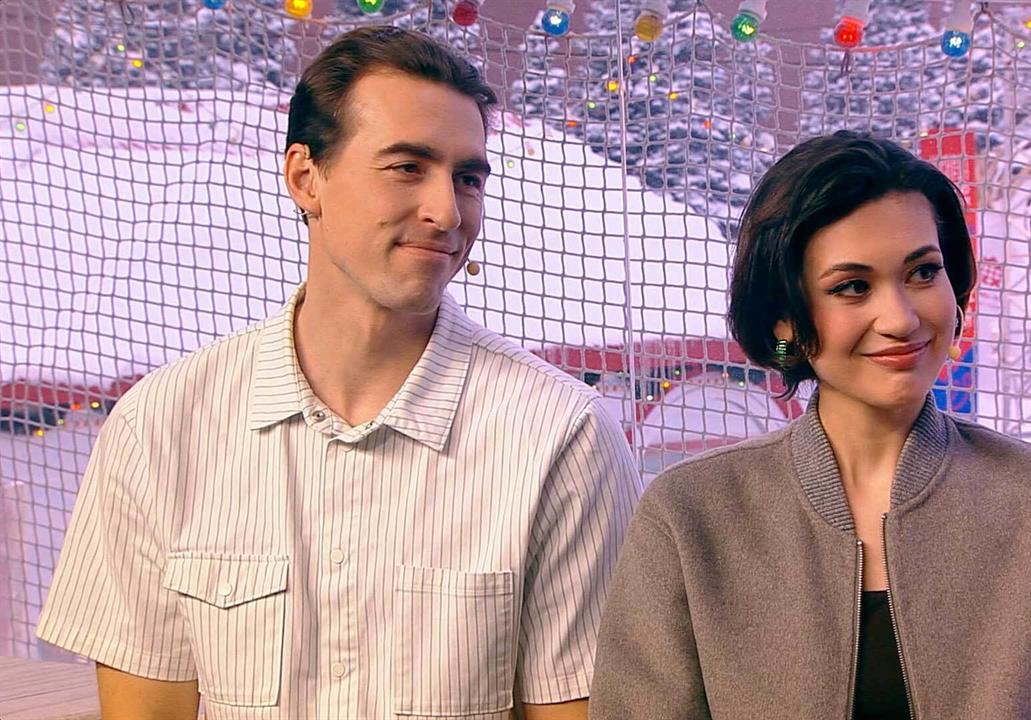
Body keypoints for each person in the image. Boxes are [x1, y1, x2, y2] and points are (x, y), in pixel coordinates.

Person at [37, 26, 641, 720]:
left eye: (468, 178)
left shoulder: (561, 435)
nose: (446, 211)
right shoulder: (160, 427)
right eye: (407, 166)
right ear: (305, 178)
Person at [588, 132, 1031, 719]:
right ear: (784, 321)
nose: (901, 318)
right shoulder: (690, 515)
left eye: (923, 272)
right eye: (853, 287)